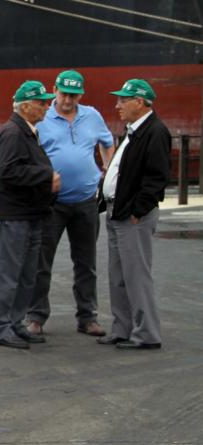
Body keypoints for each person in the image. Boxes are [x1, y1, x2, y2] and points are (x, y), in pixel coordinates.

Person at [25, 70, 114, 338]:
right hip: (52, 204)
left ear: (81, 95)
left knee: (86, 263)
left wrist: (108, 170)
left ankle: (88, 317)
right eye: (64, 94)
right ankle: (36, 317)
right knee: (42, 262)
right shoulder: (43, 117)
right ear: (55, 89)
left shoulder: (92, 116)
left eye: (73, 95)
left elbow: (107, 142)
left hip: (86, 202)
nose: (67, 100)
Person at [96, 79, 170, 350]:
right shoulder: (133, 131)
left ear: (139, 102)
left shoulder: (155, 132)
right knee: (118, 276)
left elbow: (157, 177)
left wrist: (139, 211)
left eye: (123, 100)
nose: (117, 105)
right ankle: (123, 329)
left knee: (137, 276)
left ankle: (146, 334)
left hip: (132, 217)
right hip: (118, 212)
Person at [0, 80, 61, 349]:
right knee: (7, 276)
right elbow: (8, 170)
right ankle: (0, 327)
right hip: (14, 216)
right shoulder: (13, 133)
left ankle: (15, 323)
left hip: (29, 215)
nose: (47, 106)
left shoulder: (27, 132)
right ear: (26, 106)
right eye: (42, 102)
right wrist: (46, 175)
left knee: (25, 275)